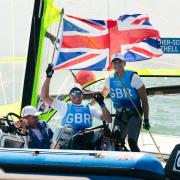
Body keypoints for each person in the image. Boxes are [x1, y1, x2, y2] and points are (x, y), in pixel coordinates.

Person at [40, 64, 112, 149]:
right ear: (69, 96)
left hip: (85, 142)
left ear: (82, 95)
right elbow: (44, 96)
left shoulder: (89, 108)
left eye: (78, 93)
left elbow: (108, 119)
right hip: (68, 142)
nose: (76, 95)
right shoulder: (64, 106)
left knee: (102, 131)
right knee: (55, 144)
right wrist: (48, 76)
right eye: (73, 93)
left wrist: (101, 104)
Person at [91, 53, 150, 152]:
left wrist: (146, 119)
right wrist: (88, 105)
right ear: (112, 65)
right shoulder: (109, 80)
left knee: (132, 142)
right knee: (116, 142)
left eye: (120, 62)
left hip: (134, 114)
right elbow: (103, 94)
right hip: (120, 115)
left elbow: (144, 99)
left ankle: (138, 164)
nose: (117, 65)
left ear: (124, 63)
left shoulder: (134, 77)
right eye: (114, 62)